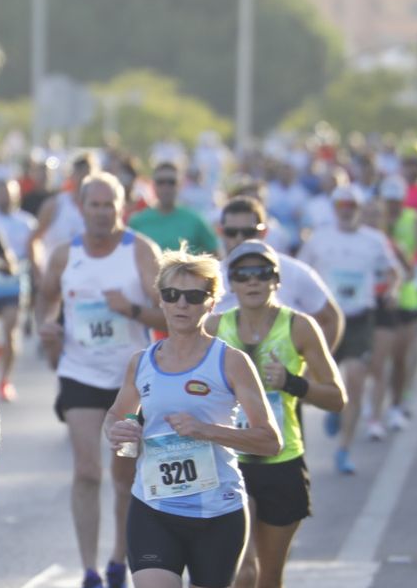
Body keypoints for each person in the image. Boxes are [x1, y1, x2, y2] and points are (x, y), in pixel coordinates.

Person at [103, 249, 280, 588]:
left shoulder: (230, 362)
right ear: (159, 300)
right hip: (154, 509)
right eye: (172, 295)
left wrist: (211, 432)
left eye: (194, 296)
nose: (182, 305)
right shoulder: (142, 362)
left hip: (217, 514)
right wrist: (121, 433)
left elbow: (269, 438)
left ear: (211, 302)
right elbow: (118, 417)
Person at [209, 241, 346, 588]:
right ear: (230, 283)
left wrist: (292, 381)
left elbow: (337, 397)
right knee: (242, 574)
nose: (252, 282)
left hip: (282, 462)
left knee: (268, 582)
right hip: (231, 463)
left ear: (275, 280)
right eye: (242, 274)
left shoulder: (299, 327)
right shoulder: (215, 328)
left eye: (262, 273)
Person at [35, 173, 163, 588]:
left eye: (110, 205)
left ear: (122, 207)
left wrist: (130, 309)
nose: (103, 212)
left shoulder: (139, 251)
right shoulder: (64, 255)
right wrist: (48, 328)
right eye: (95, 204)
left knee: (123, 478)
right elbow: (46, 298)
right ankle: (89, 574)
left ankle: (117, 566)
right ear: (82, 207)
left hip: (130, 381)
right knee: (87, 471)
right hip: (80, 374)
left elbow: (167, 312)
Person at [298, 185, 399, 474]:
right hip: (325, 321)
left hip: (359, 319)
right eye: (340, 205)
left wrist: (392, 290)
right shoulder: (319, 239)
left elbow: (393, 271)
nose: (346, 210)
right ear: (333, 208)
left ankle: (343, 449)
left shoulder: (374, 240)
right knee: (310, 381)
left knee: (355, 380)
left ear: (359, 208)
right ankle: (334, 409)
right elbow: (299, 272)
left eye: (351, 205)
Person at [212, 196, 344, 349]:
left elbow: (331, 319)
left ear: (264, 232)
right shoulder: (211, 276)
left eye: (248, 232)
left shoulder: (294, 271)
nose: (239, 238)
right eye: (231, 232)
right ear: (220, 231)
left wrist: (311, 360)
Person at [373, 175, 417, 432]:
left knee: (400, 358)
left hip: (406, 296)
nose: (393, 206)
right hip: (378, 297)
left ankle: (396, 405)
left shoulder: (414, 219)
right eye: (389, 201)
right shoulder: (374, 222)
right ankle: (374, 408)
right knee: (376, 359)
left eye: (396, 201)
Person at [0, 178, 37, 403]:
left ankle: (5, 380)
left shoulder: (27, 222)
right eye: (1, 192)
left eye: (9, 193)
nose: (5, 197)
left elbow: (34, 253)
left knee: (11, 330)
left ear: (16, 195)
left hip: (16, 280)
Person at [130, 162, 219, 255]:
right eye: (161, 182)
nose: (166, 188)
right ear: (153, 185)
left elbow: (216, 254)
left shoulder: (195, 220)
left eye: (171, 182)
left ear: (180, 185)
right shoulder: (137, 222)